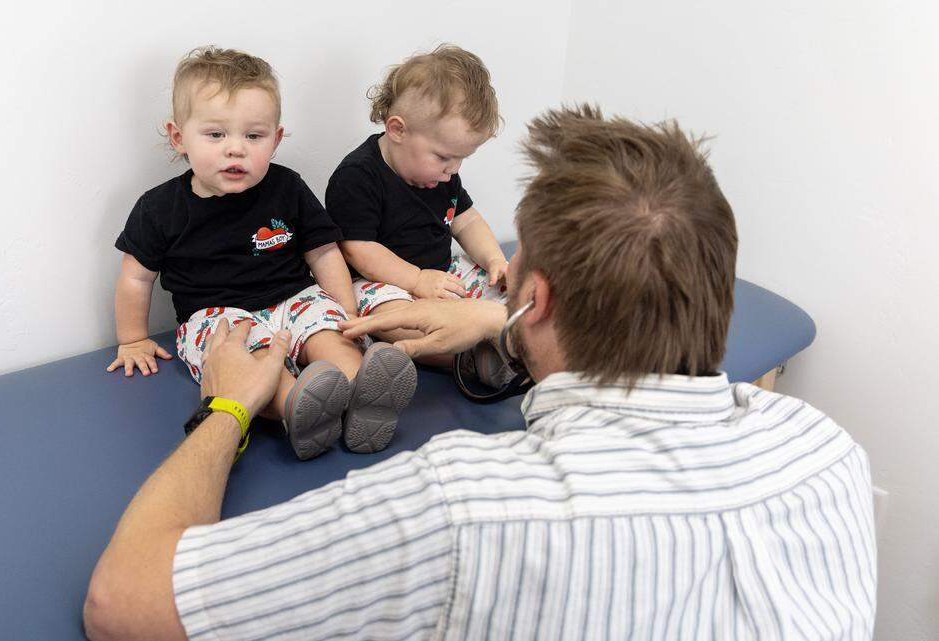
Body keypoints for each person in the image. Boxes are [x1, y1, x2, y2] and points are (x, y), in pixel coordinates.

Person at [84, 105, 876, 640]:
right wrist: (495, 319)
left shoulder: (463, 506)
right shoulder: (824, 450)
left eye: (512, 265)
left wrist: (228, 403)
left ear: (535, 295)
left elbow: (124, 604)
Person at [105, 46, 416, 460]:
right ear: (179, 137)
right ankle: (296, 407)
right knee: (245, 364)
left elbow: (323, 254)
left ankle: (364, 389)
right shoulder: (159, 208)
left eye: (253, 136)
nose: (236, 149)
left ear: (276, 138)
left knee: (326, 334)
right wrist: (133, 339)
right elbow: (135, 277)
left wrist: (344, 312)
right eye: (216, 135)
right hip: (218, 317)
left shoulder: (287, 188)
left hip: (294, 298)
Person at [325, 44, 512, 380]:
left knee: (507, 286)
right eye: (443, 157)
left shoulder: (442, 175)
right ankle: (466, 358)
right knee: (389, 315)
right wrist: (415, 279)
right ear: (398, 130)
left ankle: (510, 337)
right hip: (383, 282)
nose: (452, 170)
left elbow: (466, 220)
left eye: (460, 160)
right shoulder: (357, 175)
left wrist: (495, 260)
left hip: (441, 274)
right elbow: (357, 249)